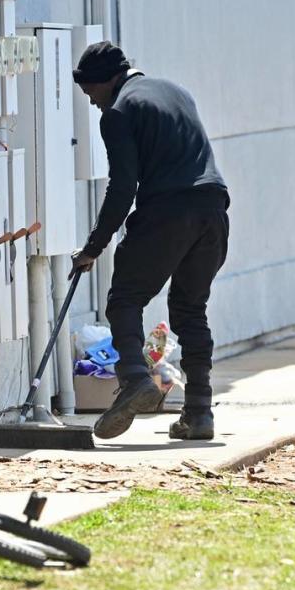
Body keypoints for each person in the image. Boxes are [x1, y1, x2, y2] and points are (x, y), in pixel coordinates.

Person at [70, 42, 230, 441]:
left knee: (124, 299)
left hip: (167, 214)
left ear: (108, 81)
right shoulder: (177, 91)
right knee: (190, 310)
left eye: (90, 90)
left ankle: (134, 379)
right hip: (213, 210)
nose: (91, 101)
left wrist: (94, 246)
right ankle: (199, 414)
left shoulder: (119, 112)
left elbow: (123, 187)